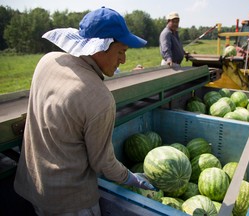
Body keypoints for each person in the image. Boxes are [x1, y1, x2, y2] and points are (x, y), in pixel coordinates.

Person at [14, 7, 157, 216]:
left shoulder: (47, 61)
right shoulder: (99, 98)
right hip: (69, 202)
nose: (123, 60)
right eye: (121, 51)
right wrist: (131, 178)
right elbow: (103, 164)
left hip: (33, 186)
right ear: (101, 47)